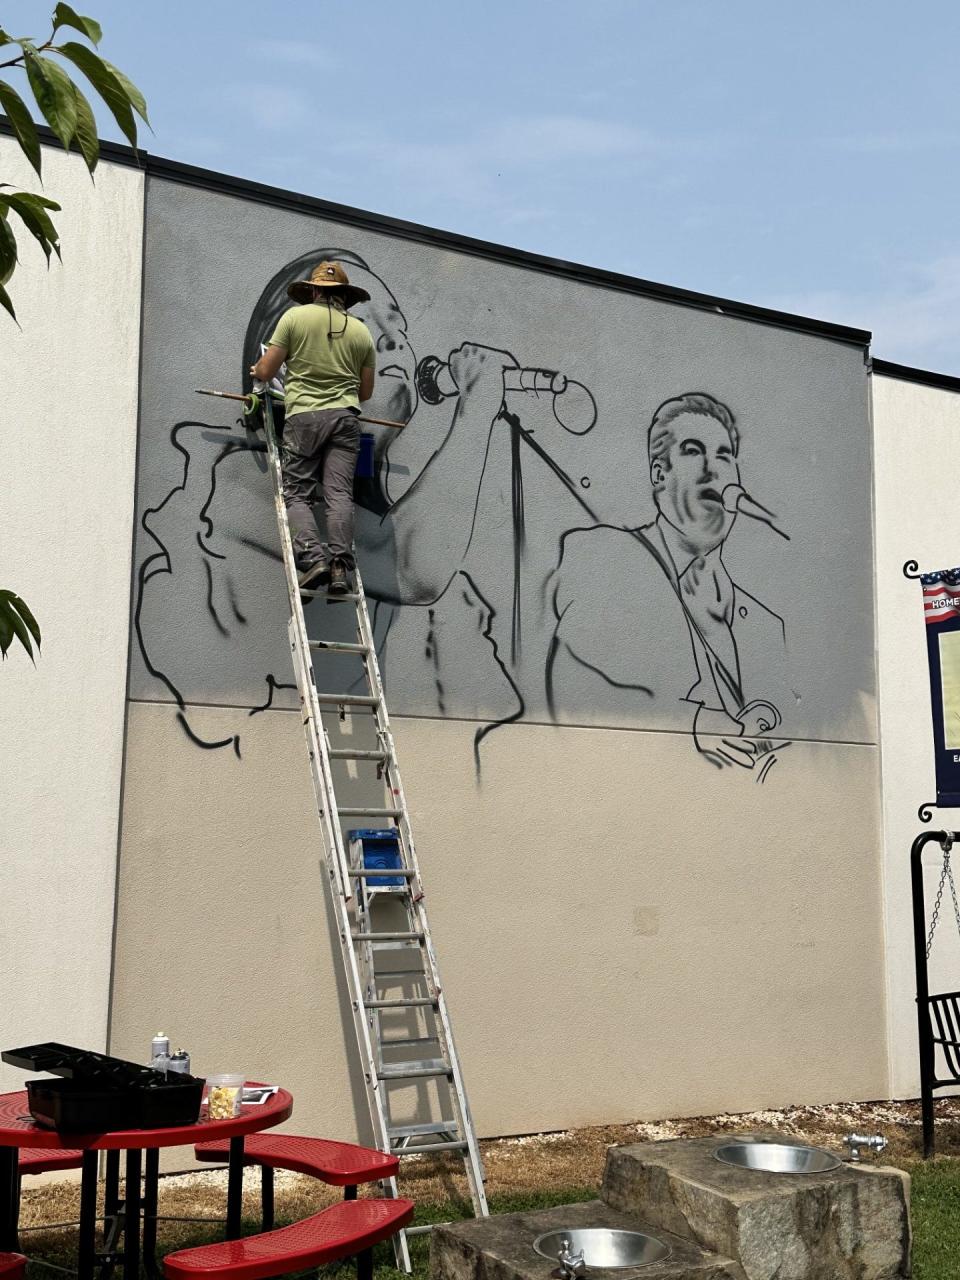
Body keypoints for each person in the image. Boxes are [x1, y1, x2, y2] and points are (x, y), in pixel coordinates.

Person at [546, 392, 790, 774]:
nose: (713, 468)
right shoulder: (603, 554)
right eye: (693, 451)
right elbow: (575, 688)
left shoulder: (766, 626)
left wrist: (764, 723)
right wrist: (693, 727)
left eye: (724, 455)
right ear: (659, 475)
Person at [250, 260, 376, 595]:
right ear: (345, 297)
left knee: (297, 492)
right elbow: (365, 392)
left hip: (304, 417)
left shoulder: (294, 318)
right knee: (338, 493)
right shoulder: (362, 332)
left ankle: (313, 557)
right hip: (346, 419)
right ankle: (339, 568)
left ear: (315, 290)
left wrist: (258, 369)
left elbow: (267, 370)